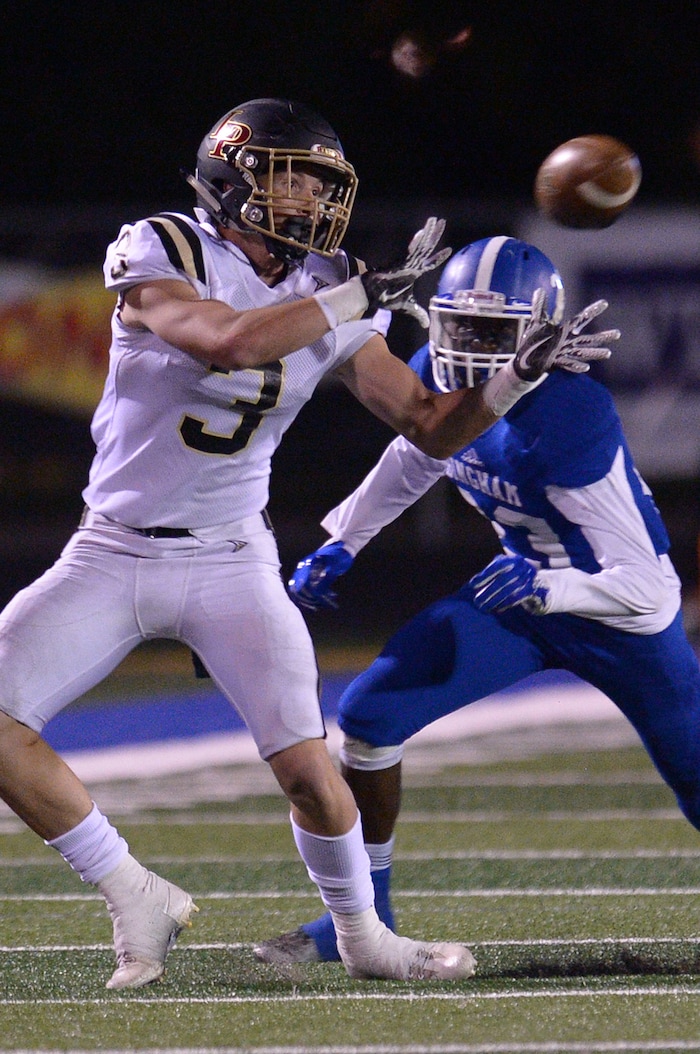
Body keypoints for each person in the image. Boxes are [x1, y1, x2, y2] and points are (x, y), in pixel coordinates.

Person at [0, 103, 612, 990]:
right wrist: (353, 297)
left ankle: (364, 937)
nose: (310, 195)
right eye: (293, 174)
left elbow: (429, 427)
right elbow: (227, 343)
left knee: (307, 771)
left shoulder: (328, 281)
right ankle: (132, 890)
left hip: (230, 557)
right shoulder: (164, 245)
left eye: (321, 181)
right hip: (113, 549)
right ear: (232, 171)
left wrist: (516, 377)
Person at [253, 234, 700, 966]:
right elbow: (416, 458)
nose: (472, 349)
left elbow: (650, 586)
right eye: (462, 327)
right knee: (369, 718)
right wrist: (346, 538)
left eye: (496, 335)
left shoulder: (567, 414)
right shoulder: (436, 373)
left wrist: (553, 584)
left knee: (697, 784)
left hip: (616, 610)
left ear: (539, 335)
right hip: (519, 590)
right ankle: (359, 920)